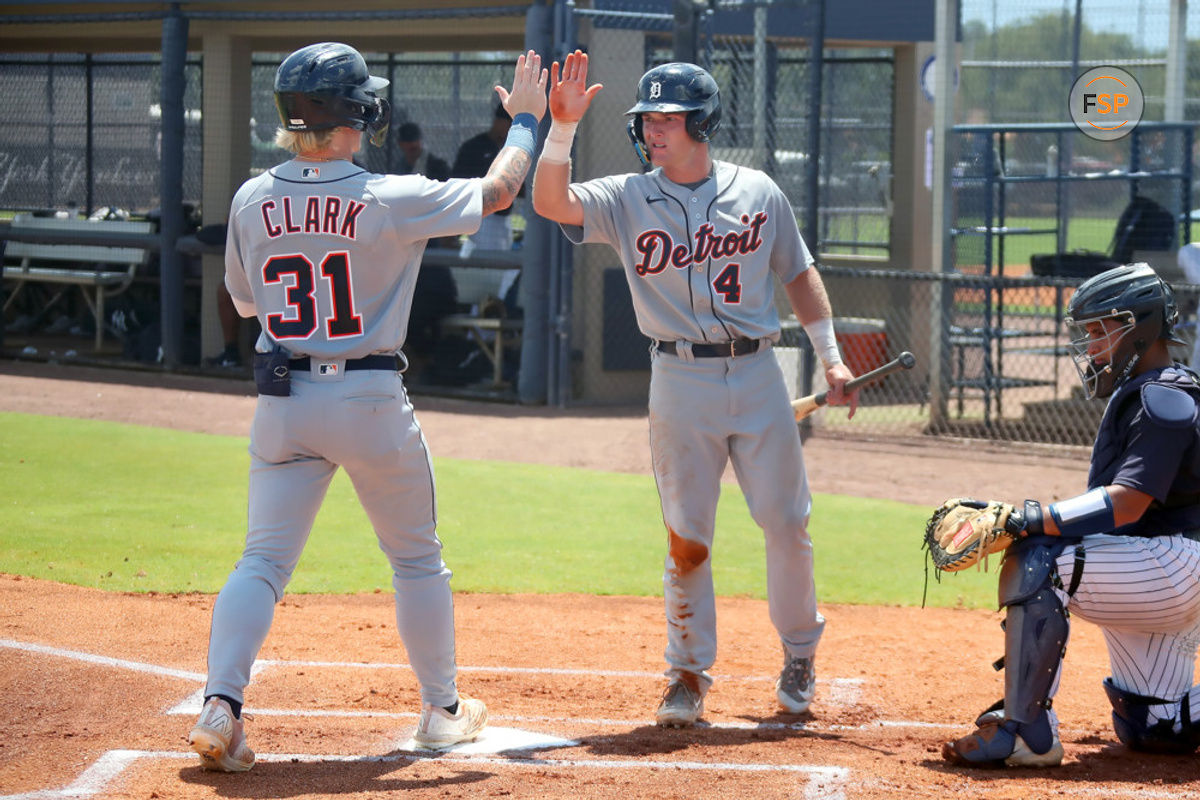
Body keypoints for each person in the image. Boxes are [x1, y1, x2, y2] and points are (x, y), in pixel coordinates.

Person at [186, 42, 547, 771]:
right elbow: (501, 190)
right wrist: (528, 123)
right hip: (370, 397)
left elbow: (247, 301)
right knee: (416, 560)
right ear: (358, 113)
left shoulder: (251, 197)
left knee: (261, 560)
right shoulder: (389, 192)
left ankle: (221, 703)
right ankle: (443, 711)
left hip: (284, 399)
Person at [532, 53, 857, 727]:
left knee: (787, 524)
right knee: (687, 536)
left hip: (760, 372)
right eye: (647, 118)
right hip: (678, 377)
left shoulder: (759, 191)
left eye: (668, 119)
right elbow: (550, 202)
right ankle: (685, 674)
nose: (653, 130)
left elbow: (799, 274)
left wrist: (831, 358)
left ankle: (800, 655)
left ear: (702, 121)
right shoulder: (626, 196)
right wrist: (559, 130)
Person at [941, 263, 1200, 768]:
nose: (1092, 346)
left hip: (1173, 565)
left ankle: (1024, 733)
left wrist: (1026, 519)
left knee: (1039, 558)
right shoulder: (1150, 392)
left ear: (1141, 329)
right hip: (1159, 566)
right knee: (1154, 727)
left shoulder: (1163, 397)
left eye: (1101, 331)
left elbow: (1127, 503)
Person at [452, 102, 517, 255]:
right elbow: (457, 180)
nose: (511, 131)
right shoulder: (475, 147)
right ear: (499, 122)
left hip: (501, 219)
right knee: (490, 264)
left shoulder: (509, 149)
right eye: (510, 125)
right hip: (481, 213)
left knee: (501, 265)